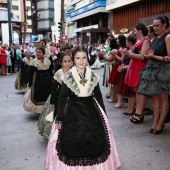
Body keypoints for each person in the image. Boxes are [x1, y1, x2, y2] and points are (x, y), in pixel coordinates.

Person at [45, 45, 121, 170]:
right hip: (72, 110)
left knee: (95, 139)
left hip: (92, 109)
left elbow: (98, 94)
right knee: (71, 139)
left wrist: (105, 114)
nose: (81, 61)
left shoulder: (92, 74)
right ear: (73, 59)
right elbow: (63, 97)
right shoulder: (68, 76)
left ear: (87, 58)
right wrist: (59, 118)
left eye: (84, 58)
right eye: (78, 58)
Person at [138, 16, 170, 134]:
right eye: (154, 26)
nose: (155, 28)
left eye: (158, 25)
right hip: (153, 70)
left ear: (164, 25)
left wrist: (153, 56)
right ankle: (155, 122)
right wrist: (148, 55)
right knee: (155, 97)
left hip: (164, 71)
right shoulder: (153, 40)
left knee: (163, 97)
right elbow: (151, 54)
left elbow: (169, 58)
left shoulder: (168, 37)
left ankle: (160, 123)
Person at [37, 52, 72, 140]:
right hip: (60, 99)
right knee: (59, 115)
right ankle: (58, 135)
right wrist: (52, 101)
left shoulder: (73, 72)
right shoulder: (58, 73)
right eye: (65, 61)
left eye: (69, 61)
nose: (67, 63)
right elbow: (54, 88)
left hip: (72, 99)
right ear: (61, 63)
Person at [122, 23, 151, 124]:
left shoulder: (146, 40)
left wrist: (129, 54)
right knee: (137, 90)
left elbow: (143, 56)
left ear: (140, 30)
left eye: (135, 30)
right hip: (134, 67)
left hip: (139, 67)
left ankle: (140, 113)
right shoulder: (139, 41)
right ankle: (138, 112)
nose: (134, 32)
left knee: (139, 91)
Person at [23, 47, 53, 113]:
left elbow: (51, 71)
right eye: (37, 52)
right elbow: (31, 73)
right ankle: (40, 110)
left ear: (43, 53)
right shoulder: (33, 61)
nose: (38, 54)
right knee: (39, 94)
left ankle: (47, 109)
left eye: (39, 52)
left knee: (47, 93)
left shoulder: (47, 61)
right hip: (38, 80)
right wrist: (30, 83)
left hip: (47, 79)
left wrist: (52, 79)